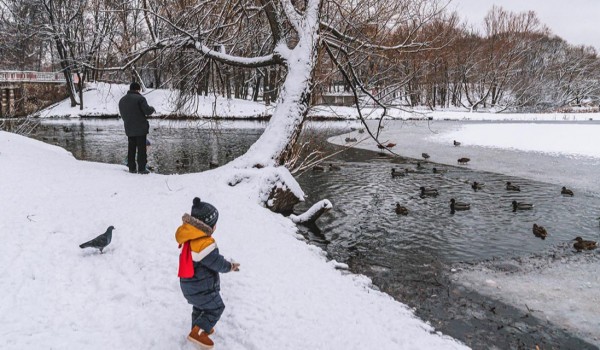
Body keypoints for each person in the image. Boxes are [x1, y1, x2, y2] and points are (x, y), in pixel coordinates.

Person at [175, 197, 240, 349]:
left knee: (200, 307)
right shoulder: (203, 243)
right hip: (201, 286)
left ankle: (197, 327)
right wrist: (230, 266)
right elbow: (216, 263)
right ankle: (198, 333)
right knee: (217, 307)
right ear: (208, 225)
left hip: (190, 285)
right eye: (215, 223)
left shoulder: (191, 237)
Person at [118, 82, 155, 174]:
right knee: (142, 149)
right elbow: (147, 111)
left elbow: (123, 114)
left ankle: (132, 168)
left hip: (129, 128)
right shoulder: (140, 99)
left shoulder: (122, 100)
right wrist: (152, 108)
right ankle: (142, 168)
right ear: (138, 89)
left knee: (131, 149)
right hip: (140, 128)